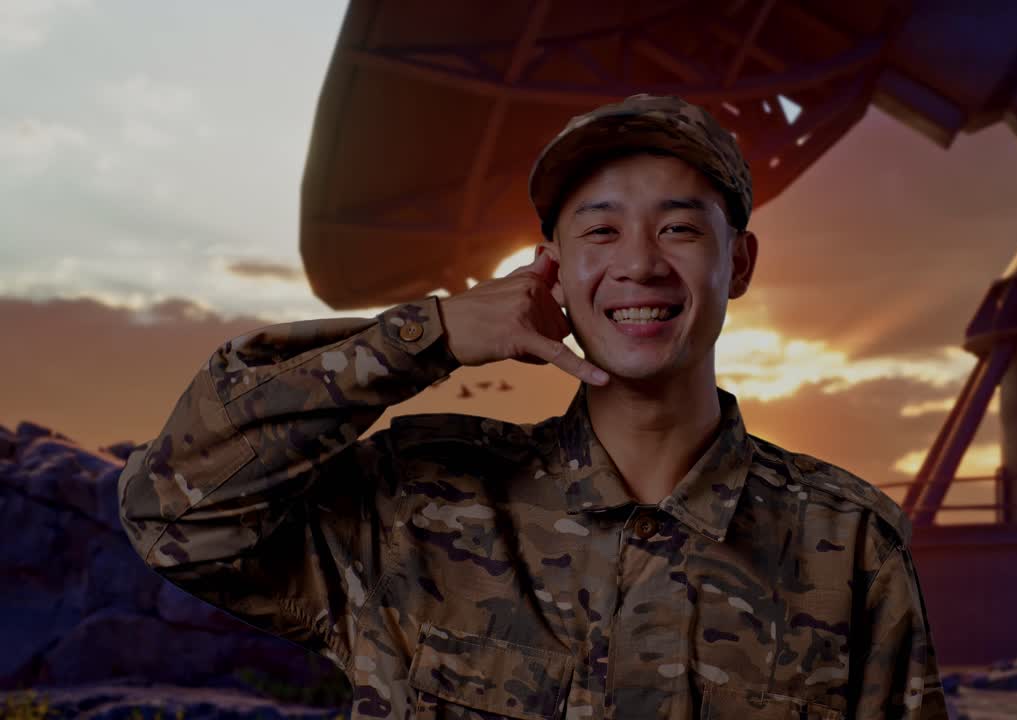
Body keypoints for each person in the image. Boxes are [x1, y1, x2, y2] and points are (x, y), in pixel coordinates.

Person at [118, 93, 947, 719]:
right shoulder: (422, 502)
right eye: (600, 231)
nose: (640, 265)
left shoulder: (847, 546)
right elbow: (175, 512)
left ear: (743, 262)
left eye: (680, 230)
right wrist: (428, 333)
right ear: (548, 269)